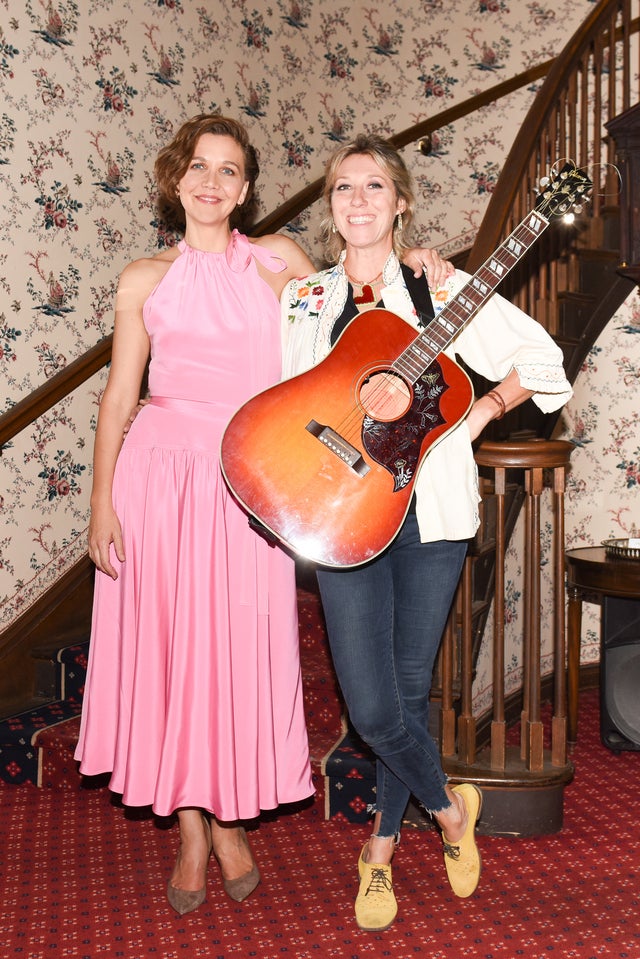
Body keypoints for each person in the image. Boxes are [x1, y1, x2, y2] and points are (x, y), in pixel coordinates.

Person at [74, 114, 453, 918]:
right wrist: (101, 500)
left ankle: (234, 820)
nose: (212, 183)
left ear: (247, 189)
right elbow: (117, 396)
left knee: (241, 653)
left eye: (230, 171)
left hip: (258, 475)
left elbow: (350, 331)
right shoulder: (143, 278)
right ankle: (190, 829)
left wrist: (417, 265)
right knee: (172, 656)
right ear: (175, 180)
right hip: (161, 478)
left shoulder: (279, 261)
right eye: (199, 168)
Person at [280, 134, 573, 932]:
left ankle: (378, 851)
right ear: (330, 204)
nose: (360, 201)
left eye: (376, 186)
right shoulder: (302, 299)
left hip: (431, 517)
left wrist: (477, 414)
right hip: (341, 516)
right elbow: (289, 401)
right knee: (374, 708)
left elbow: (543, 360)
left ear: (401, 200)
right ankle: (450, 810)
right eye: (345, 187)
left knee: (408, 692)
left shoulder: (440, 290)